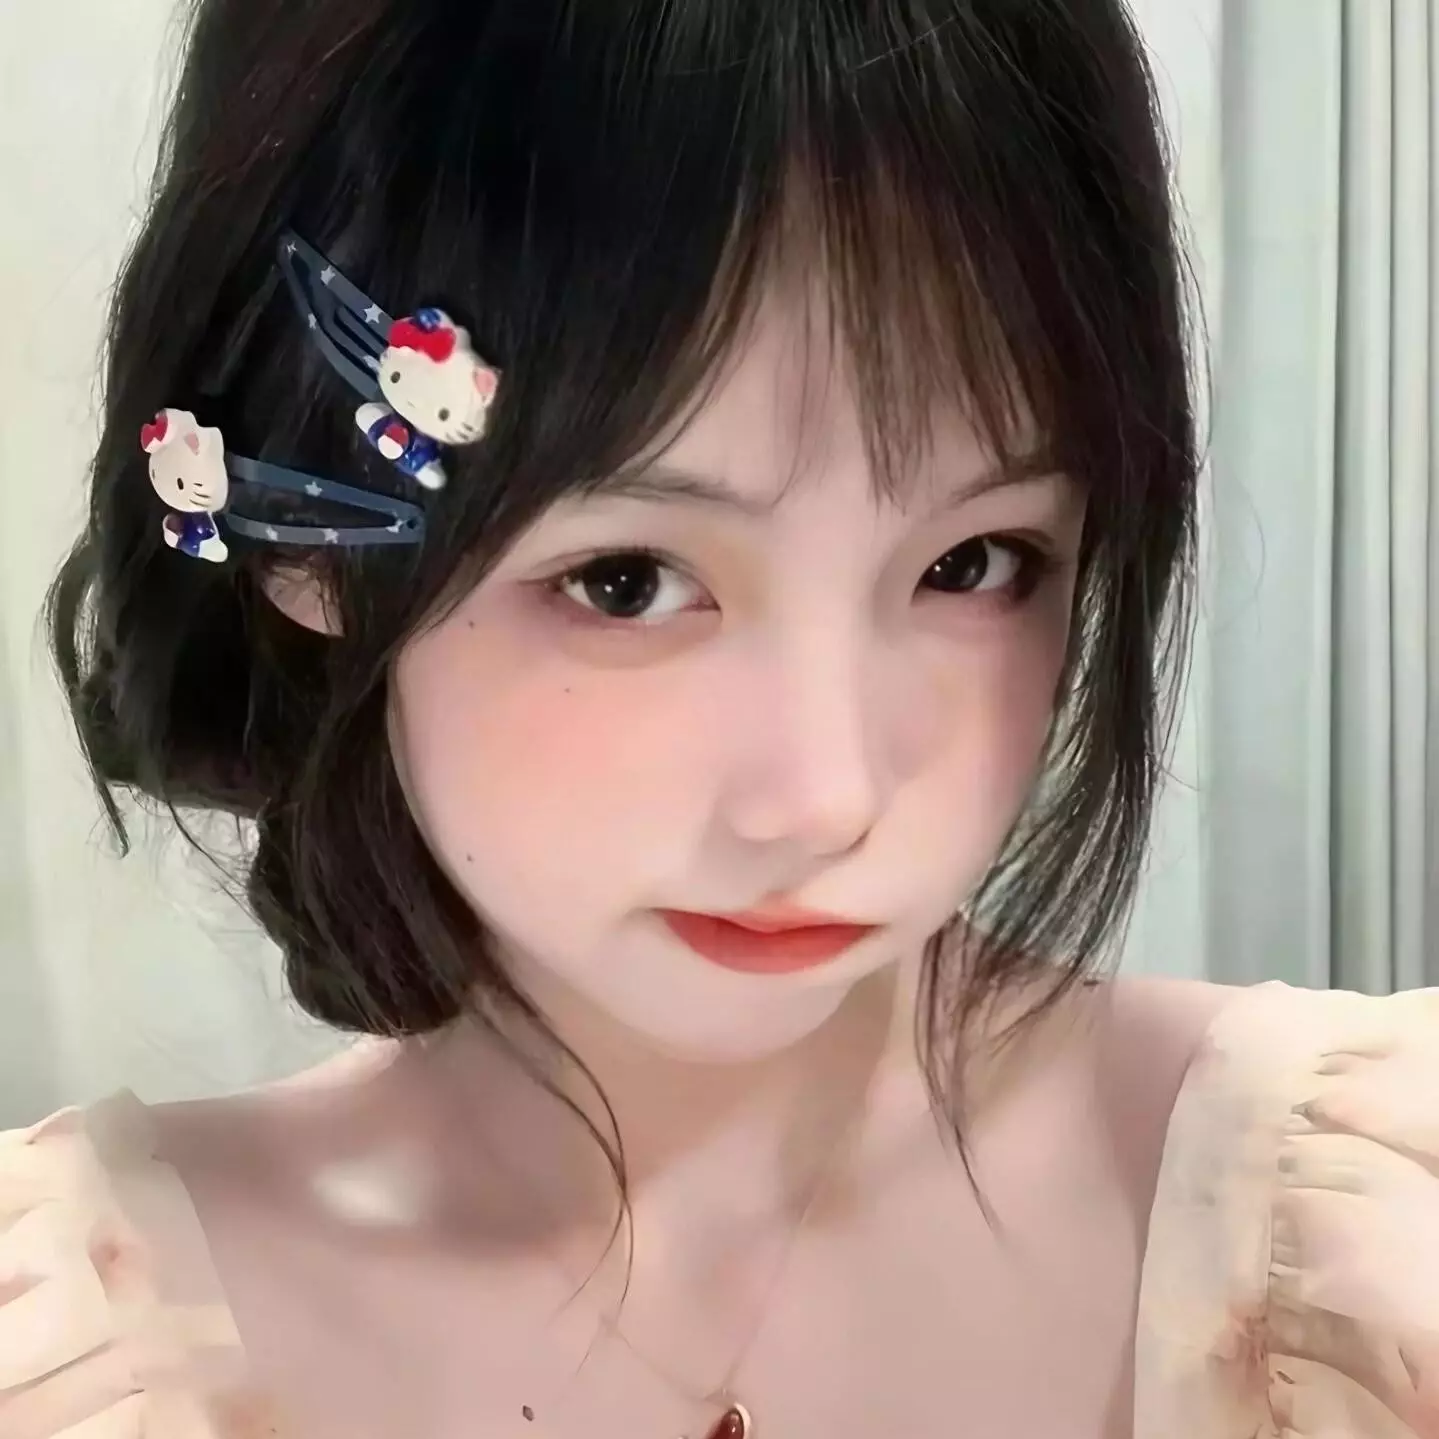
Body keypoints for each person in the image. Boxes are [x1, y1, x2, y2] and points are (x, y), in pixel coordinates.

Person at [2, 0, 1436, 1435]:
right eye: (627, 581)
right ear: (301, 545)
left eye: (971, 563)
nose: (826, 796)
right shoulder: (66, 1347)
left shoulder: (1374, 1250)